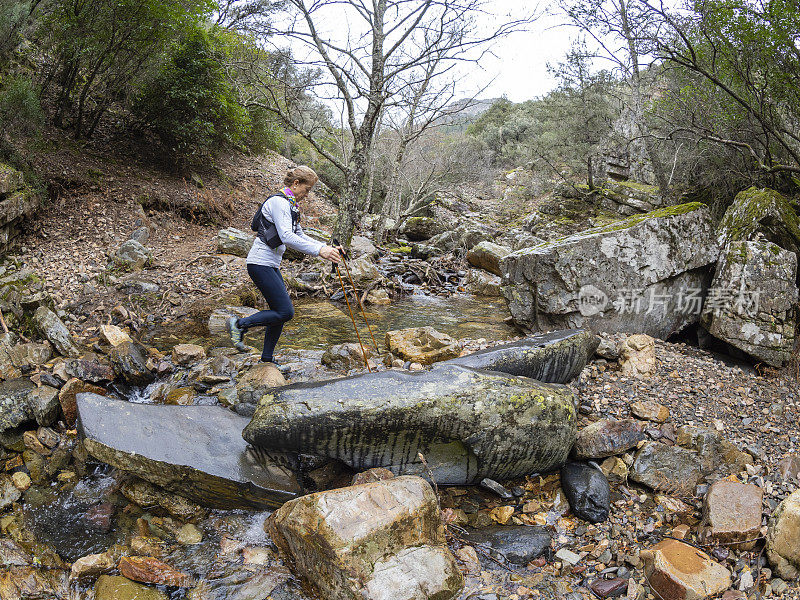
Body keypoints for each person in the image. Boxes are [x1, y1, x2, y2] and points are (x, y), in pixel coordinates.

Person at [227, 166, 341, 369]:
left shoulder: (290, 204)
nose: (308, 194)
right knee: (285, 312)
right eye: (307, 189)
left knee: (278, 312)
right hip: (260, 263)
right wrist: (319, 251)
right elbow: (287, 237)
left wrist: (325, 247)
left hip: (269, 264)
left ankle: (267, 360)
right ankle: (238, 325)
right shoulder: (279, 202)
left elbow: (300, 235)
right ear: (296, 184)